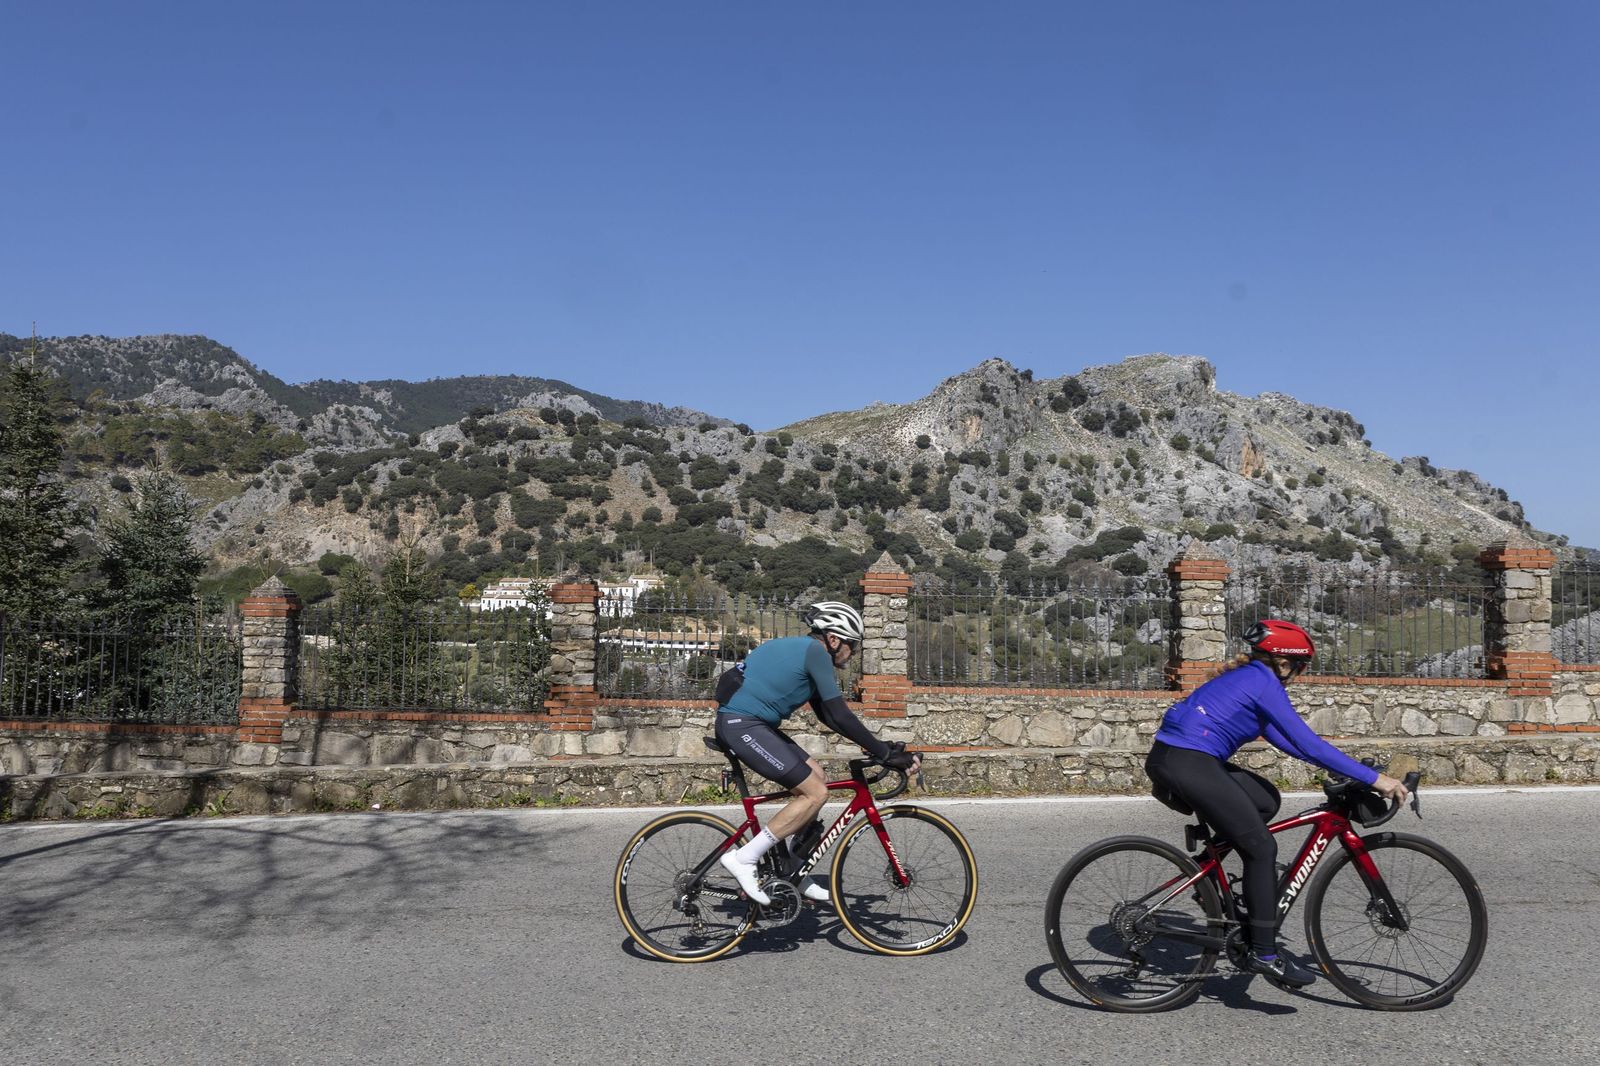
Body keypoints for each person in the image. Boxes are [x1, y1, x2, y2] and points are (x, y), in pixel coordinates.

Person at [1144, 619, 1410, 989]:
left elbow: (1292, 743)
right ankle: (1264, 955)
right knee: (1261, 848)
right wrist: (1375, 780)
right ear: (1283, 663)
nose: (1298, 676)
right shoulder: (1262, 683)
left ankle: (1212, 871)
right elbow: (1310, 742)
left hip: (1182, 758)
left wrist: (1343, 770)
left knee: (1265, 800)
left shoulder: (1254, 681)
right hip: (1187, 762)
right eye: (1300, 668)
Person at [715, 601, 919, 905]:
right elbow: (841, 713)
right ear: (834, 639)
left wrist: (879, 747)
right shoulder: (815, 654)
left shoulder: (804, 652)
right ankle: (744, 859)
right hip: (742, 724)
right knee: (814, 793)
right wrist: (886, 756)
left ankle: (793, 868)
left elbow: (830, 716)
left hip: (752, 723)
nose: (854, 653)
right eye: (853, 645)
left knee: (818, 777)